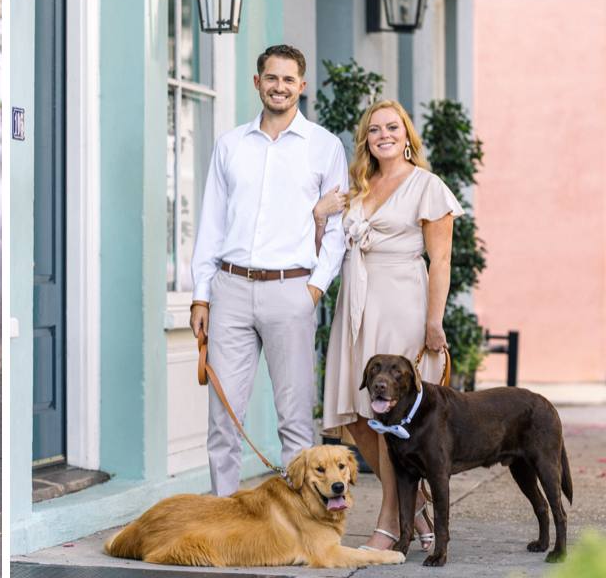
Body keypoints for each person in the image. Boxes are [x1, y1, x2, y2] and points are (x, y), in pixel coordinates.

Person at [190, 44, 349, 498]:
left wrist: (314, 289)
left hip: (291, 290)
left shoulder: (323, 146)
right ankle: (223, 516)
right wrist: (202, 294)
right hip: (231, 289)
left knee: (295, 420)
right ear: (257, 83)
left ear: (302, 85)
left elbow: (336, 230)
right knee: (224, 419)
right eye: (271, 78)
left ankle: (304, 523)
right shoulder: (231, 145)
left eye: (288, 79)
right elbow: (211, 224)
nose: (279, 87)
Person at [317, 99, 463, 551]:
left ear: (406, 135)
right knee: (360, 415)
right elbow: (329, 246)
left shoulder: (427, 185)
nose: (384, 135)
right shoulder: (359, 187)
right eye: (375, 128)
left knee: (395, 414)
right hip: (358, 303)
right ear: (366, 138)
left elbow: (440, 260)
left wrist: (434, 321)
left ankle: (387, 525)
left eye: (393, 127)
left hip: (402, 299)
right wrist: (321, 214)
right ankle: (414, 509)